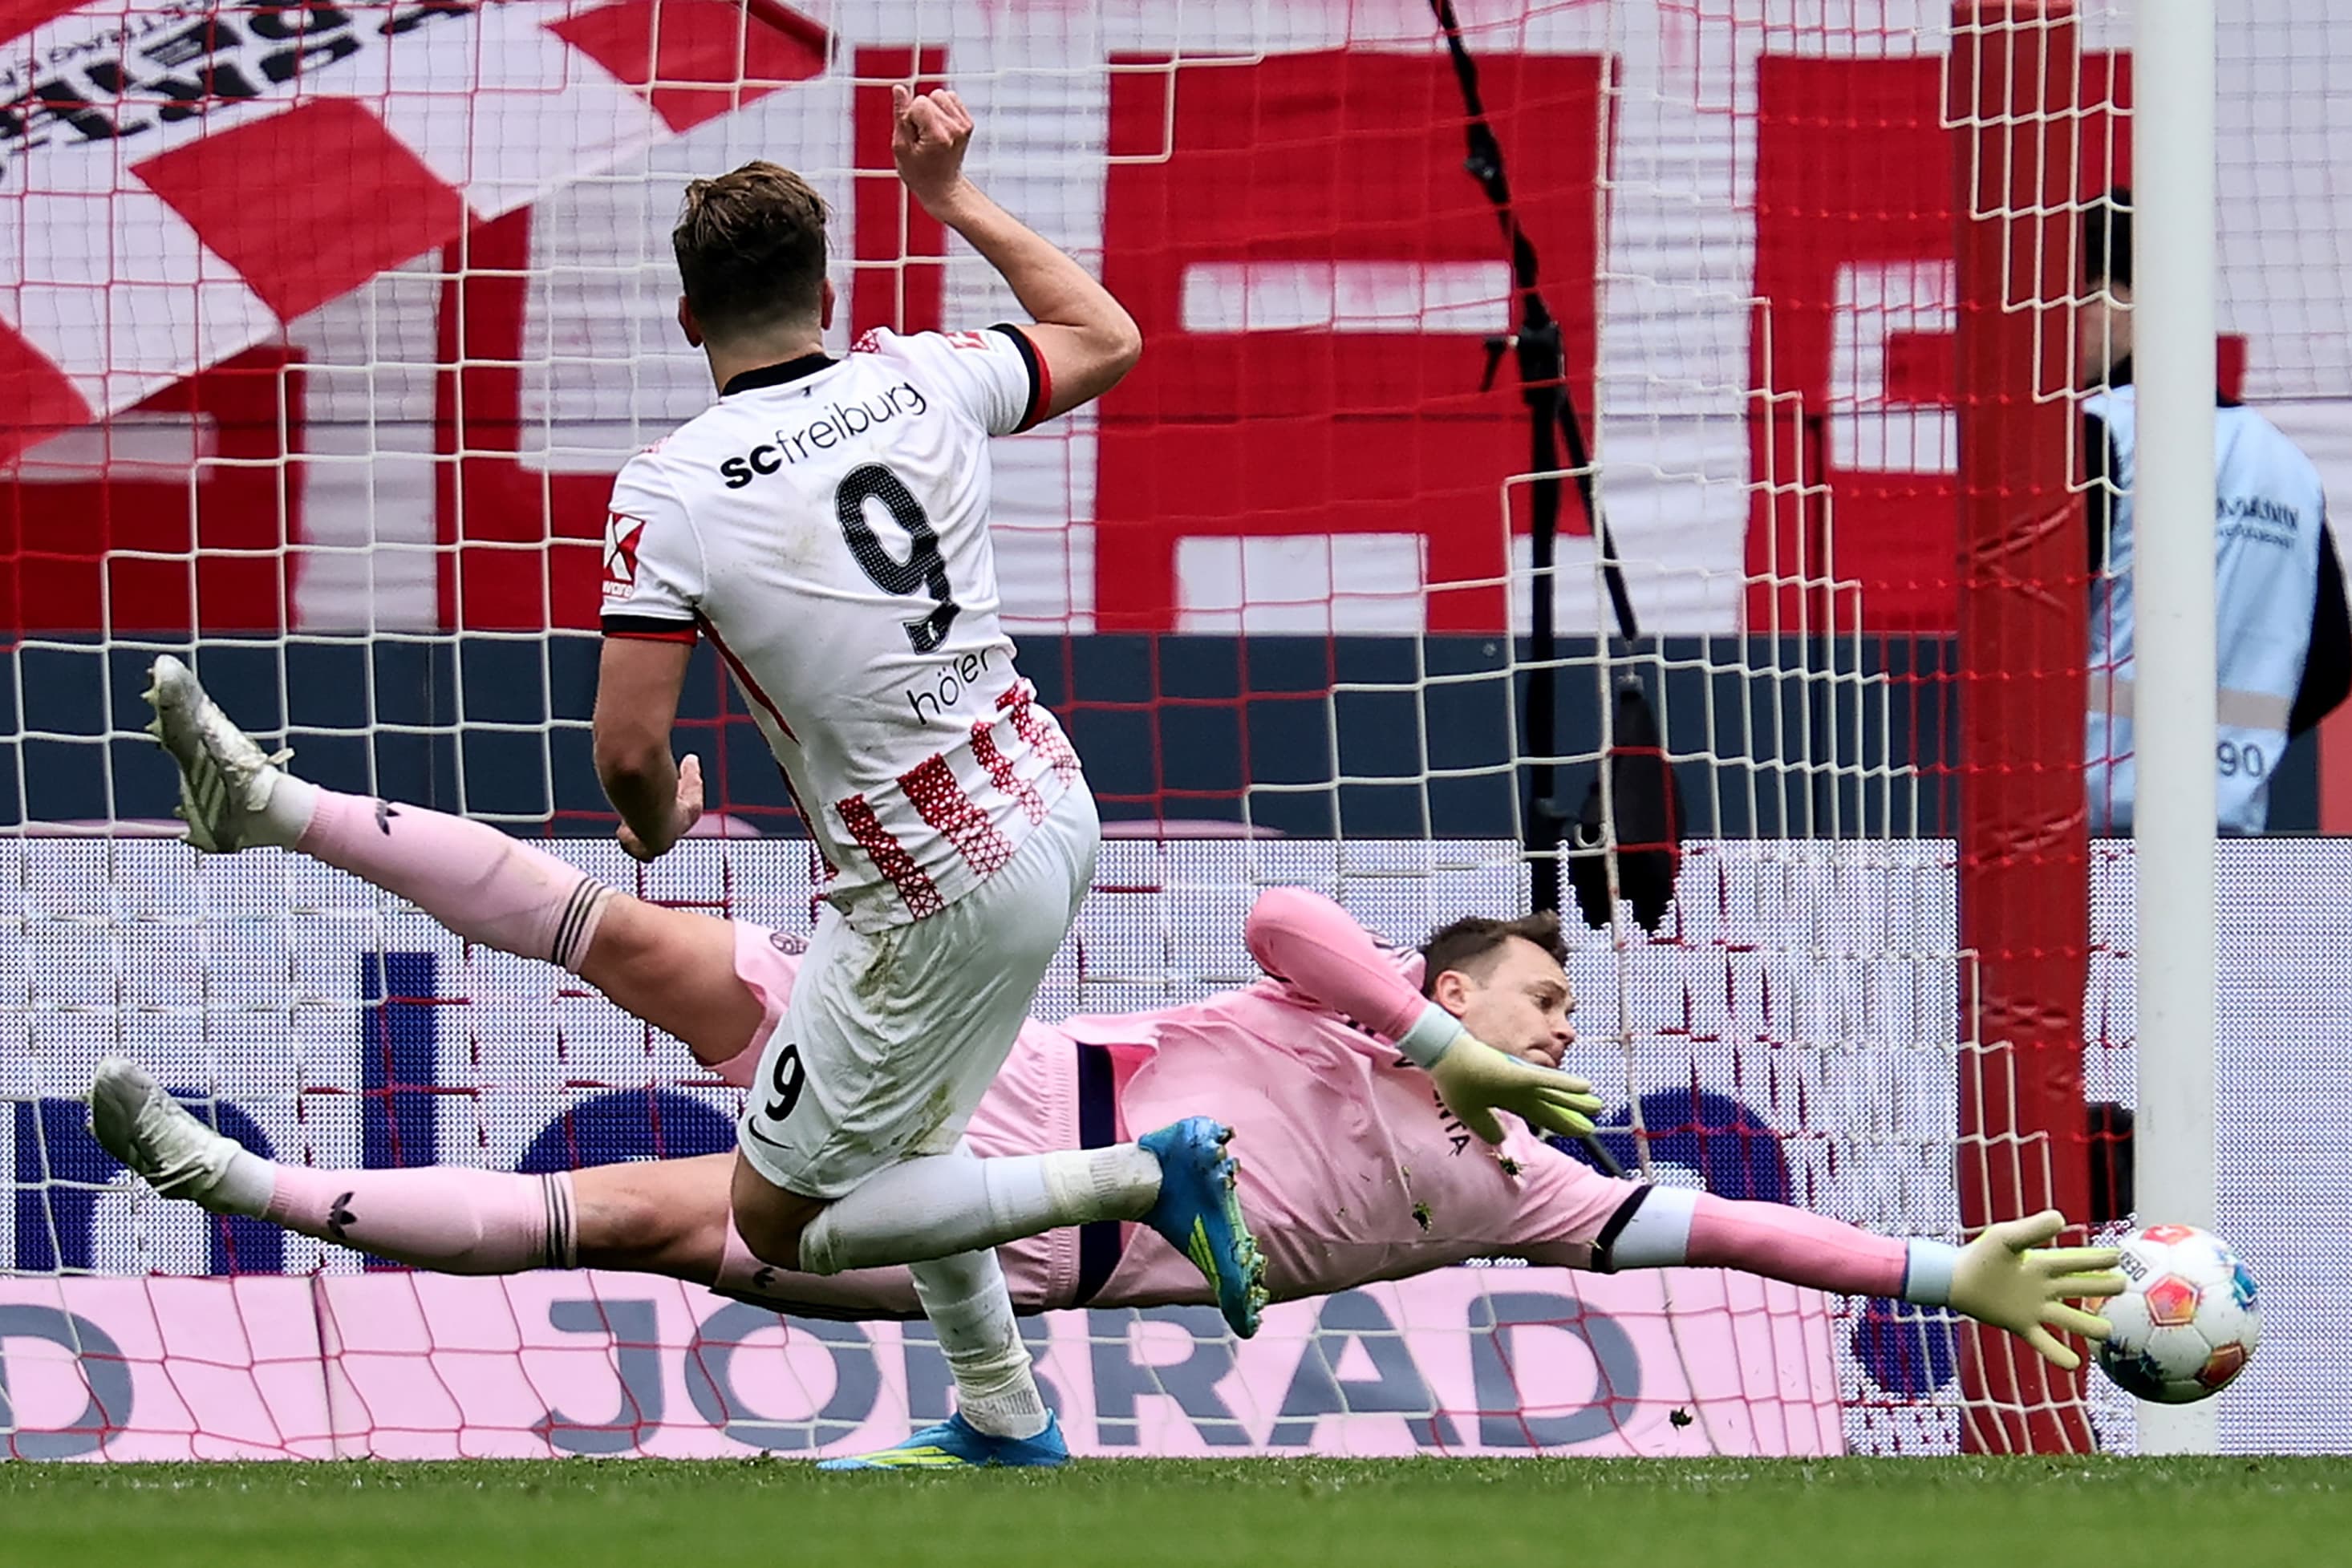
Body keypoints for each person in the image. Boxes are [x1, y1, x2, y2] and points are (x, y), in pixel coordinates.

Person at [100, 681, 2123, 1468]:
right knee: (647, 941)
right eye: (1530, 1002)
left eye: (1555, 1023)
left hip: (1006, 1246)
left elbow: (1738, 1226)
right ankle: (266, 802)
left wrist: (1941, 1279)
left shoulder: (1532, 1192)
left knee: (639, 1217)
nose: (1550, 1034)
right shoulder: (1357, 1006)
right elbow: (1285, 933)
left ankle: (232, 1189)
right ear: (1448, 992)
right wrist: (1424, 1034)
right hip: (974, 1057)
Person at [2081, 188, 2351, 833]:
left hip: (2092, 832)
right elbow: (2332, 664)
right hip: (2227, 835)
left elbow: (2028, 630)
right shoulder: (2286, 464)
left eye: (2076, 295)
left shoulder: (2098, 433)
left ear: (2122, 297)